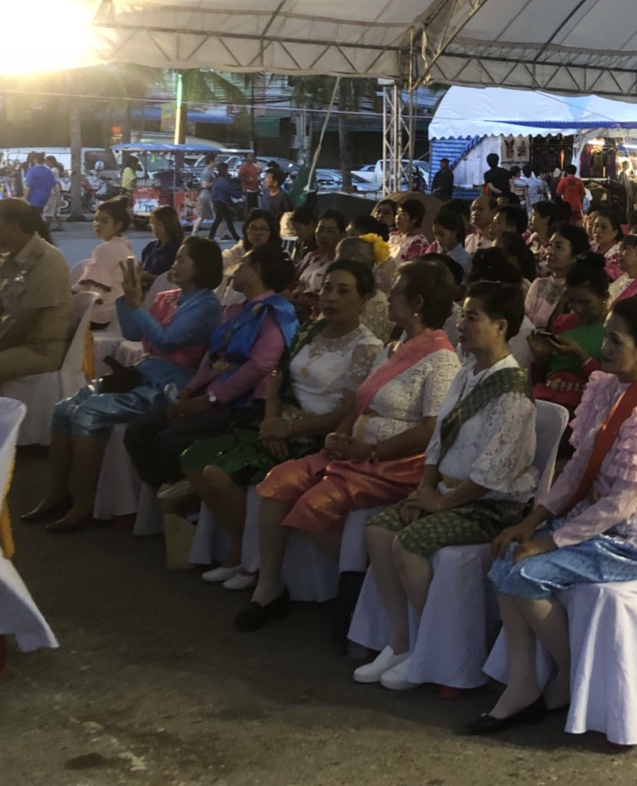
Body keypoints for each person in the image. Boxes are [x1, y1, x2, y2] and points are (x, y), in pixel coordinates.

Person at [472, 297, 637, 733]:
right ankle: (523, 683)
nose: (604, 348)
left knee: (526, 572)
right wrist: (532, 521)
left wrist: (549, 542)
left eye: (616, 341)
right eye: (606, 337)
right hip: (600, 518)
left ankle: (570, 672)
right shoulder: (606, 387)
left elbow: (622, 504)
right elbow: (579, 467)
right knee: (507, 558)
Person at [243, 261, 461, 627]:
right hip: (356, 452)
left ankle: (363, 585)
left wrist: (371, 451)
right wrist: (339, 436)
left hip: (395, 464)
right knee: (278, 482)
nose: (388, 297)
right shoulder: (393, 347)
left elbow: (430, 430)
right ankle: (268, 588)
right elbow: (360, 402)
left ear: (418, 303)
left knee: (312, 506)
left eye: (396, 291)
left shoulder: (441, 359)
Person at [351, 281, 538, 678]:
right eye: (462, 315)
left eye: (472, 317)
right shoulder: (466, 371)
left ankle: (430, 648)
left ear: (501, 326)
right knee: (379, 532)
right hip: (445, 493)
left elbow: (493, 471)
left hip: (488, 505)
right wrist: (424, 489)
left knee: (409, 544)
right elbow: (437, 441)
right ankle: (400, 641)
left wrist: (441, 502)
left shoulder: (512, 389)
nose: (461, 325)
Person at [181, 259, 380, 587]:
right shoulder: (310, 330)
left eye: (343, 291)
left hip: (314, 437)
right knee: (193, 458)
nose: (330, 297)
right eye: (327, 288)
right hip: (277, 422)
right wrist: (272, 417)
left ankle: (248, 559)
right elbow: (276, 375)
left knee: (218, 473)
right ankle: (240, 545)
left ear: (364, 300)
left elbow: (348, 413)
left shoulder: (367, 348)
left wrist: (289, 430)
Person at [24, 240, 224, 531]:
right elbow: (132, 332)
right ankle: (56, 494)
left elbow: (167, 341)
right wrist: (127, 297)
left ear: (201, 266)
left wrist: (137, 306)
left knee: (87, 413)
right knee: (63, 409)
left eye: (182, 260)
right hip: (143, 373)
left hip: (171, 385)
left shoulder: (207, 306)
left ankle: (85, 504)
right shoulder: (168, 297)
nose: (174, 265)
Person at [123, 246, 299, 492]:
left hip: (244, 403)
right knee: (138, 431)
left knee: (168, 440)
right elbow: (214, 356)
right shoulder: (238, 309)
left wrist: (211, 399)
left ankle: (181, 498)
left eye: (242, 264)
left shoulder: (276, 312)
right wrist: (191, 389)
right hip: (212, 392)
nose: (236, 270)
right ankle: (170, 494)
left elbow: (261, 365)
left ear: (256, 270)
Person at [0, 199, 71, 390]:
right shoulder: (11, 258)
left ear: (13, 227)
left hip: (39, 349)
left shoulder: (47, 261)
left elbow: (25, 324)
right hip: (13, 340)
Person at [529, 256, 609, 410]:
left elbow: (611, 384)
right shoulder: (562, 323)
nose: (577, 309)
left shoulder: (612, 329)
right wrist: (540, 359)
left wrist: (580, 355)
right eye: (572, 302)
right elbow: (543, 377)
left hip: (584, 408)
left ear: (604, 297)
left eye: (585, 302)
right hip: (544, 400)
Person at [75, 198, 135, 328]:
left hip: (100, 315)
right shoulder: (124, 246)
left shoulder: (105, 249)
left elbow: (93, 291)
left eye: (104, 221)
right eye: (96, 219)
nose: (97, 224)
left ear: (118, 225)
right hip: (117, 312)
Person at [526, 224, 591, 331]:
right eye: (550, 245)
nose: (550, 251)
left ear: (576, 256)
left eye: (558, 247)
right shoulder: (539, 284)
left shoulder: (580, 291)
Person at [139, 205, 185, 287]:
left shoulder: (179, 249)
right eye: (152, 224)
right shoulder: (150, 247)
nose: (155, 228)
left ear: (169, 224)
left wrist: (149, 277)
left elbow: (175, 279)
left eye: (159, 224)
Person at [388, 199, 433, 264]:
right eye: (397, 213)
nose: (397, 217)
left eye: (403, 214)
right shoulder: (392, 235)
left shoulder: (419, 241)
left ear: (414, 219)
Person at [430, 206, 471, 276]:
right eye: (435, 234)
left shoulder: (464, 259)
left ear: (454, 231)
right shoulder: (437, 255)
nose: (438, 239)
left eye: (441, 234)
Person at [590, 206, 625, 282]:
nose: (598, 230)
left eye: (603, 227)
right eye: (596, 226)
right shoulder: (590, 247)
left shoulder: (620, 253)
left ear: (615, 232)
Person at [24, 151, 56, 221]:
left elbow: (29, 186)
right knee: (39, 214)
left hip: (33, 197)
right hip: (46, 196)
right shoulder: (49, 171)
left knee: (31, 216)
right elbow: (54, 185)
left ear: (35, 160)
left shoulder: (32, 171)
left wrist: (24, 197)